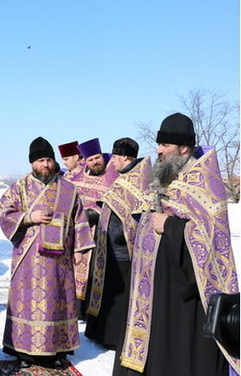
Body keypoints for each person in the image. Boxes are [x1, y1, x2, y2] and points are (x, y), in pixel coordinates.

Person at [115, 113, 239, 376]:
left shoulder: (205, 184)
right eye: (158, 145)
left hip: (184, 292)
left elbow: (212, 239)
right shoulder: (167, 177)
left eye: (165, 146)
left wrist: (170, 226)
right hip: (152, 286)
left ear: (184, 148)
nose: (158, 151)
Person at [0, 137, 94, 368]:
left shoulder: (68, 189)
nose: (46, 165)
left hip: (60, 259)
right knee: (28, 304)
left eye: (49, 159)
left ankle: (57, 350)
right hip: (29, 258)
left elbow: (79, 219)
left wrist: (80, 248)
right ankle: (24, 352)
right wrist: (29, 218)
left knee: (58, 302)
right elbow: (3, 211)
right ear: (32, 163)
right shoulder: (20, 187)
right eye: (41, 160)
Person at [85, 138, 150, 349]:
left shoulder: (138, 180)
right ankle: (102, 334)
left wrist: (121, 235)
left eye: (114, 157)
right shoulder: (125, 177)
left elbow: (137, 215)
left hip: (124, 253)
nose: (111, 162)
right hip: (109, 250)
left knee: (120, 297)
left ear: (125, 157)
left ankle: (114, 338)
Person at [66, 137, 119, 316]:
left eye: (97, 157)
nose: (96, 161)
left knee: (97, 272)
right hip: (80, 232)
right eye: (91, 159)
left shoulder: (113, 175)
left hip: (103, 233)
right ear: (85, 161)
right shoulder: (76, 176)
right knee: (76, 269)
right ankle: (77, 310)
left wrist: (96, 211)